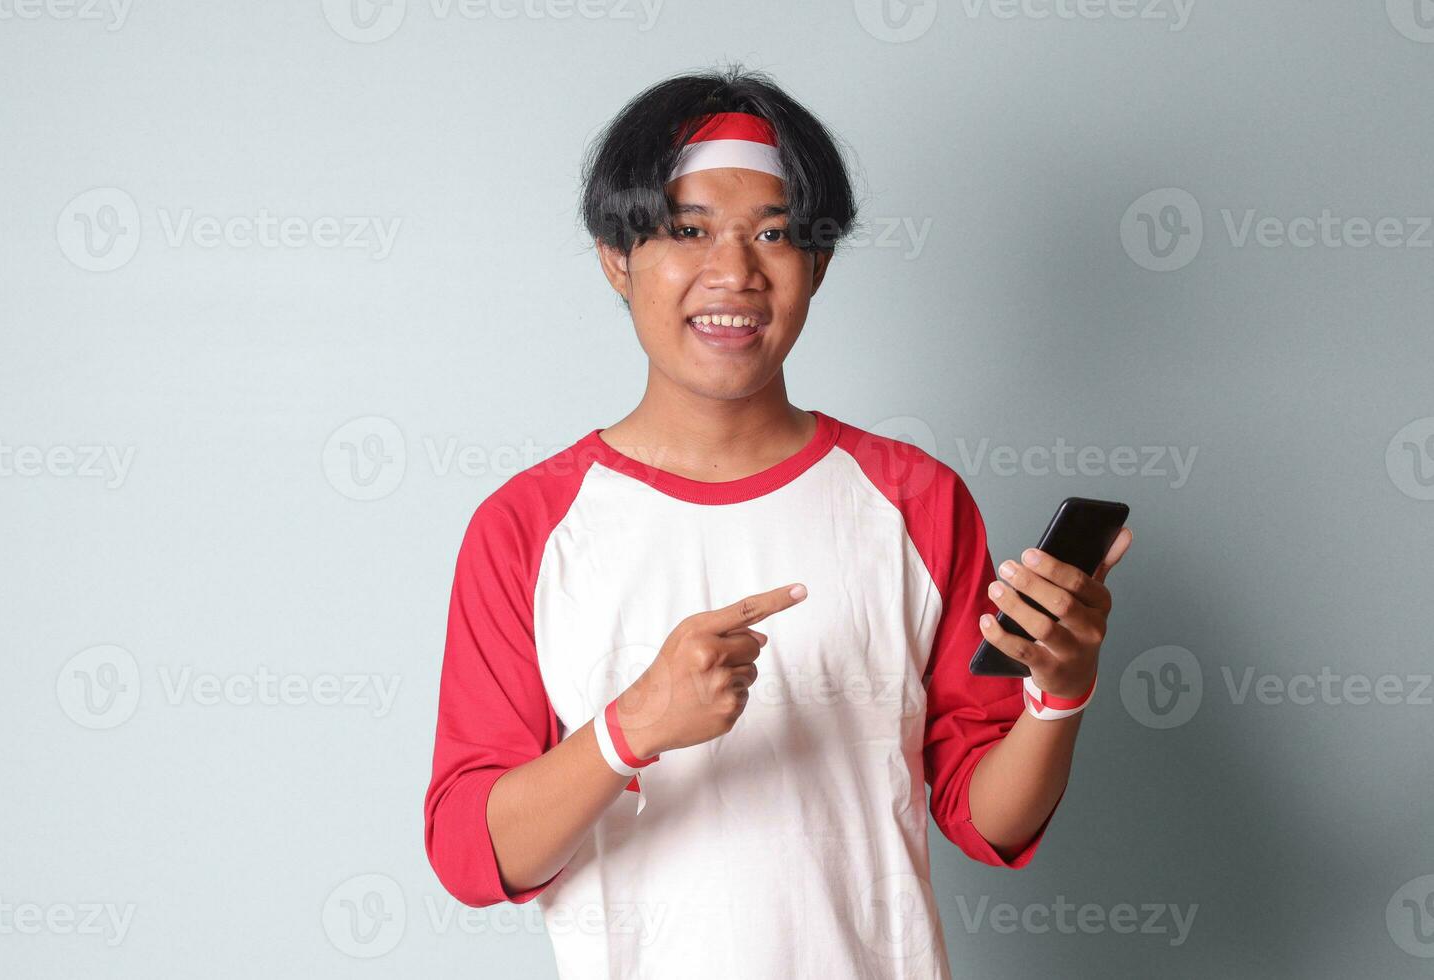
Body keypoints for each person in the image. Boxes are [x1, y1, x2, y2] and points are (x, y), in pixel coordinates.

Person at [423, 64, 1132, 980]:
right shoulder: (525, 527)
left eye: (775, 234)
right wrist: (628, 728)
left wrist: (1060, 692)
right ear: (616, 256)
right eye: (687, 230)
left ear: (819, 265)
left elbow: (983, 815)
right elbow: (471, 854)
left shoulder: (916, 501)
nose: (734, 271)